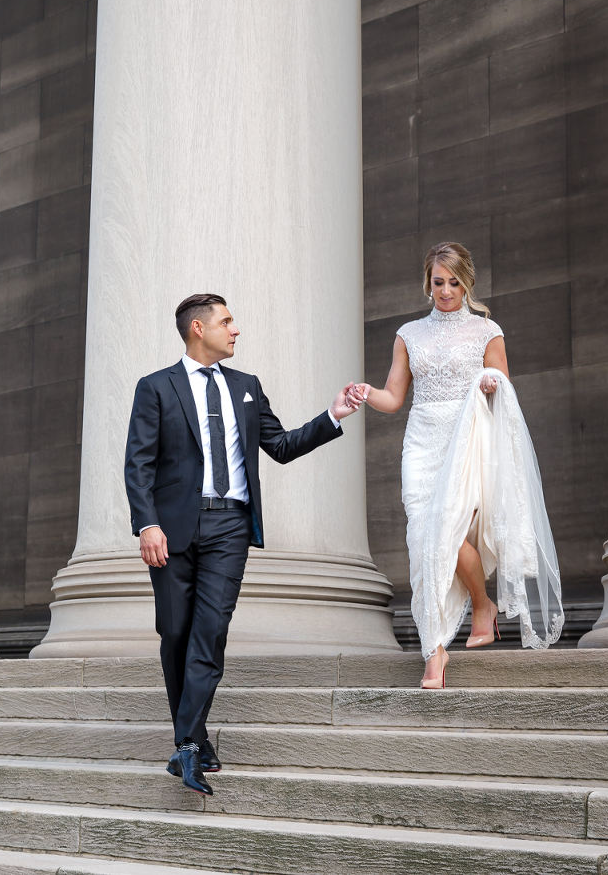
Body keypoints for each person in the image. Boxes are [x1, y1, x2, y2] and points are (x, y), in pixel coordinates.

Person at [127, 293, 364, 794]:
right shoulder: (155, 388)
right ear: (198, 328)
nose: (236, 330)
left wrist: (333, 414)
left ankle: (187, 747)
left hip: (230, 527)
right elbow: (139, 464)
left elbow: (278, 446)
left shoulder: (247, 387)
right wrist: (147, 525)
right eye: (227, 322)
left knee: (209, 632)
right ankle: (194, 738)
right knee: (175, 634)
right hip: (171, 531)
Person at [357, 243, 563, 688]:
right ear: (427, 283)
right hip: (422, 444)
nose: (446, 290)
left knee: (443, 537)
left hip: (466, 442)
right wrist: (364, 393)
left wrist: (491, 382)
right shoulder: (408, 334)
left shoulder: (487, 331)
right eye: (438, 282)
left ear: (467, 282)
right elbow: (393, 398)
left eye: (454, 282)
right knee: (422, 537)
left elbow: (502, 388)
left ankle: (442, 644)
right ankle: (467, 618)